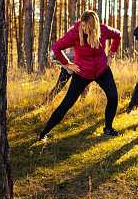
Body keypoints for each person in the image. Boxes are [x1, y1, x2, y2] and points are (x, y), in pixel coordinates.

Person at [38, 10, 121, 139]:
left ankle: (108, 128)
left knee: (113, 97)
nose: (84, 29)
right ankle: (44, 133)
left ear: (95, 26)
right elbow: (56, 48)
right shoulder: (74, 33)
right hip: (82, 73)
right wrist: (67, 64)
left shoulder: (103, 30)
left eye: (87, 27)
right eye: (82, 26)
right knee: (67, 103)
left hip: (102, 70)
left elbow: (118, 35)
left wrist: (111, 54)